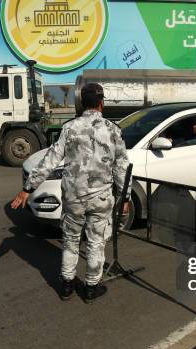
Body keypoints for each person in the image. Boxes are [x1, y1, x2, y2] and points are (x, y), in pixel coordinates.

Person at [11, 83, 130, 303]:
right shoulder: (113, 130)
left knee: (71, 241)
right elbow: (122, 166)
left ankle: (66, 286)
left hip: (73, 198)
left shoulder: (69, 128)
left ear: (81, 103)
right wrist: (126, 197)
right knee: (95, 243)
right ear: (101, 103)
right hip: (101, 198)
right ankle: (91, 288)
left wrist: (28, 188)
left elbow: (50, 160)